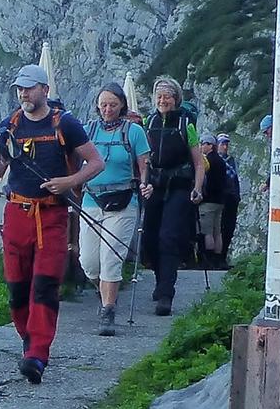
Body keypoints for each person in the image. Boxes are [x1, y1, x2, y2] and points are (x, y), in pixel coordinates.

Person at [0, 64, 103, 384]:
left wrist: (69, 182)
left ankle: (38, 353)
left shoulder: (65, 123)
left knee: (45, 283)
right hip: (17, 212)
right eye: (19, 88)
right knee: (17, 287)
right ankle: (28, 338)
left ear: (44, 90)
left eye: (29, 88)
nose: (23, 93)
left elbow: (96, 162)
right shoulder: (10, 124)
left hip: (51, 215)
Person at [79, 86, 149, 335]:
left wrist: (145, 184)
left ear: (122, 105)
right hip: (91, 199)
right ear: (97, 106)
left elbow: (144, 166)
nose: (107, 110)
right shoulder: (87, 131)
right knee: (88, 262)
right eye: (103, 105)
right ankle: (107, 295)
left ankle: (108, 311)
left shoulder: (135, 132)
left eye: (112, 105)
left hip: (123, 201)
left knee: (111, 258)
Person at [137, 77, 207, 317]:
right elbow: (145, 159)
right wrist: (144, 183)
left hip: (179, 187)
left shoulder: (186, 124)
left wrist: (197, 188)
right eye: (159, 96)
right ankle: (160, 280)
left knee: (169, 237)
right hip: (154, 187)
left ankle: (166, 293)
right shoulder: (149, 122)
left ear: (176, 98)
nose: (162, 100)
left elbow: (198, 163)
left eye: (167, 96)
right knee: (148, 239)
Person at [211, 133, 244, 264]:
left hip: (232, 198)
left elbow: (235, 179)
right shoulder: (215, 160)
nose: (225, 147)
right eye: (222, 144)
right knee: (219, 229)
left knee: (229, 228)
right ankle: (216, 258)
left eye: (226, 144)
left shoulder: (231, 160)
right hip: (221, 198)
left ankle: (223, 256)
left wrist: (237, 196)